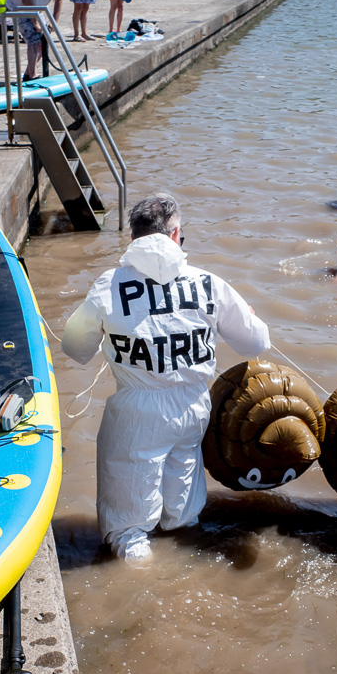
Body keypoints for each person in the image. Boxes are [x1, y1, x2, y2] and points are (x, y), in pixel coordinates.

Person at [62, 194, 272, 562]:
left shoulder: (110, 285)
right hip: (194, 406)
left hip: (137, 410)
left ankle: (139, 588)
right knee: (181, 515)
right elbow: (256, 342)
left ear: (132, 237)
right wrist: (249, 314)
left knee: (129, 529)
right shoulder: (209, 283)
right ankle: (184, 568)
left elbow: (75, 349)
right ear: (176, 235)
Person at [7, 0, 52, 80]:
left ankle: (28, 73)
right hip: (20, 8)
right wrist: (35, 23)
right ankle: (32, 74)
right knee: (34, 40)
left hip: (36, 9)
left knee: (44, 43)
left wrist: (54, 22)